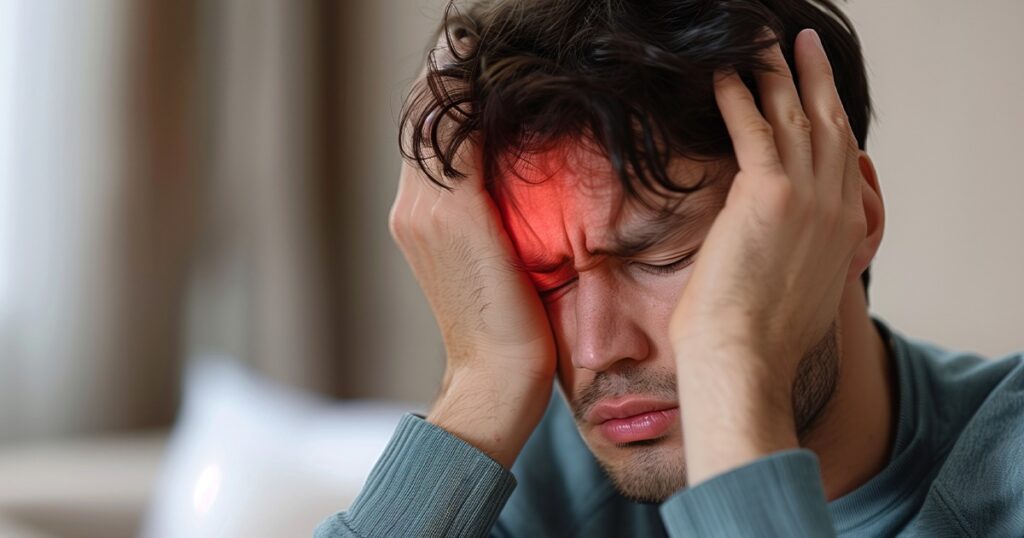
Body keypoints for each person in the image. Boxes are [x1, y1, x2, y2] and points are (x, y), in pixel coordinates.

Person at [316, 0, 1024, 535]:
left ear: (852, 216)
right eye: (547, 278)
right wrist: (479, 386)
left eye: (663, 255)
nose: (597, 348)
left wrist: (731, 372)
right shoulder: (548, 480)